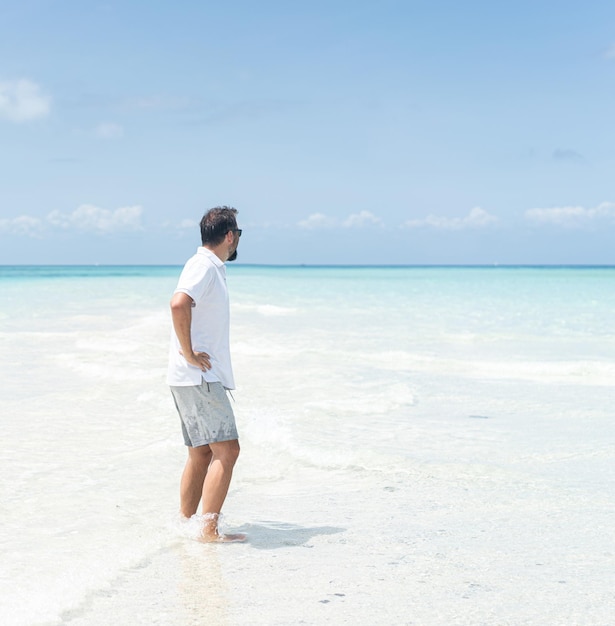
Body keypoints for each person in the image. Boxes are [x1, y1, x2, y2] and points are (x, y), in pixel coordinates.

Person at [167, 206, 245, 542]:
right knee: (227, 450)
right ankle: (208, 530)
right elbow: (178, 303)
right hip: (200, 377)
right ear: (229, 236)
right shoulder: (204, 266)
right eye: (238, 234)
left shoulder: (206, 266)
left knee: (201, 452)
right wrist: (189, 354)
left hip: (189, 376)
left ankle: (186, 525)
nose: (238, 240)